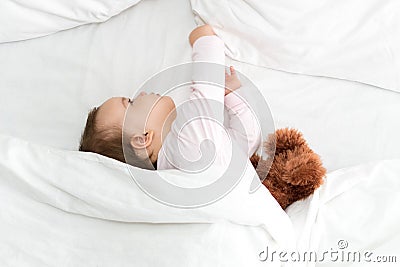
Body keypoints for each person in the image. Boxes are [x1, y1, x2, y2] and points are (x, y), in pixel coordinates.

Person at [79, 25, 261, 171]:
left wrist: (231, 96)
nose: (141, 94)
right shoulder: (187, 142)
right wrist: (204, 40)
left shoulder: (175, 160)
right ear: (143, 139)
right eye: (131, 103)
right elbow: (207, 86)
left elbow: (244, 145)